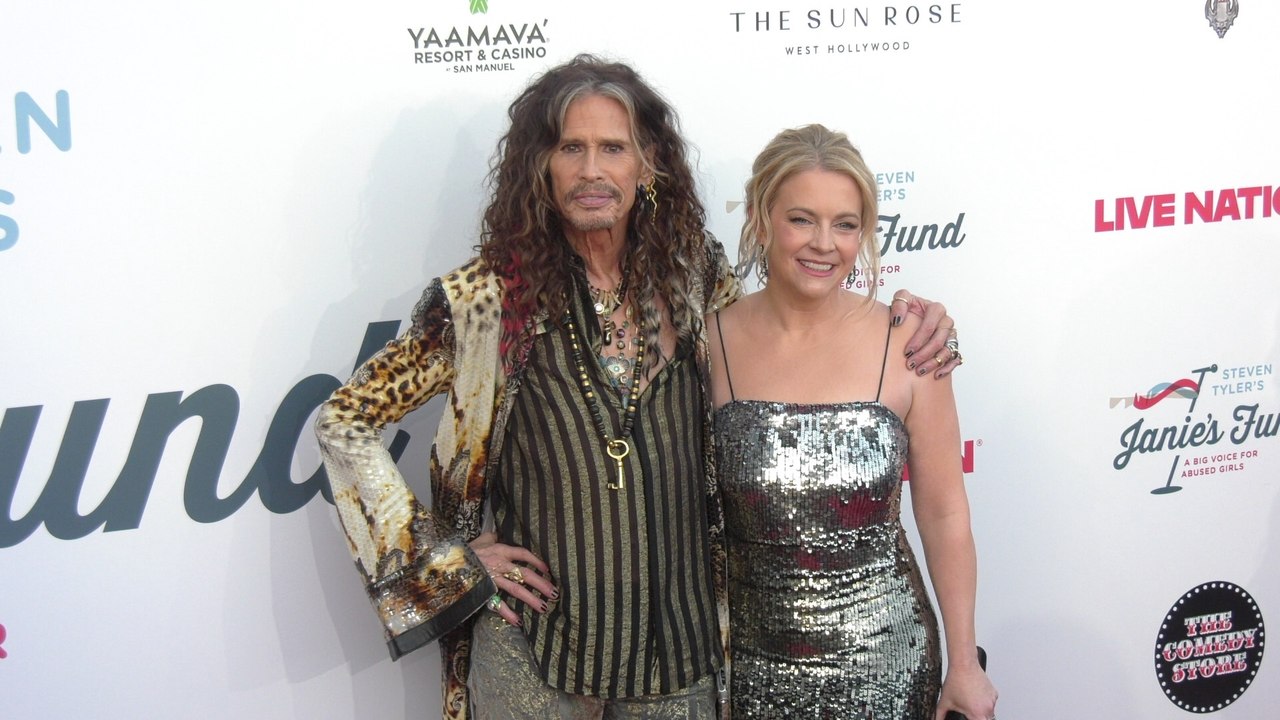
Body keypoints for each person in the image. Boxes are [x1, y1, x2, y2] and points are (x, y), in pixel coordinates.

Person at [314, 56, 963, 720]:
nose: (592, 170)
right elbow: (345, 421)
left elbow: (788, 340)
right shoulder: (482, 301)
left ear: (647, 165)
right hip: (533, 655)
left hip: (678, 655)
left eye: (613, 148)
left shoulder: (695, 276)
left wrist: (908, 324)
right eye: (572, 148)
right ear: (541, 166)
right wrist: (445, 559)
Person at [708, 124, 995, 720]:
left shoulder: (912, 343)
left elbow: (944, 513)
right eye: (801, 219)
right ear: (761, 219)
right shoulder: (708, 343)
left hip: (890, 664)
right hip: (750, 671)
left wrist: (965, 664)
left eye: (845, 224)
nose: (824, 244)